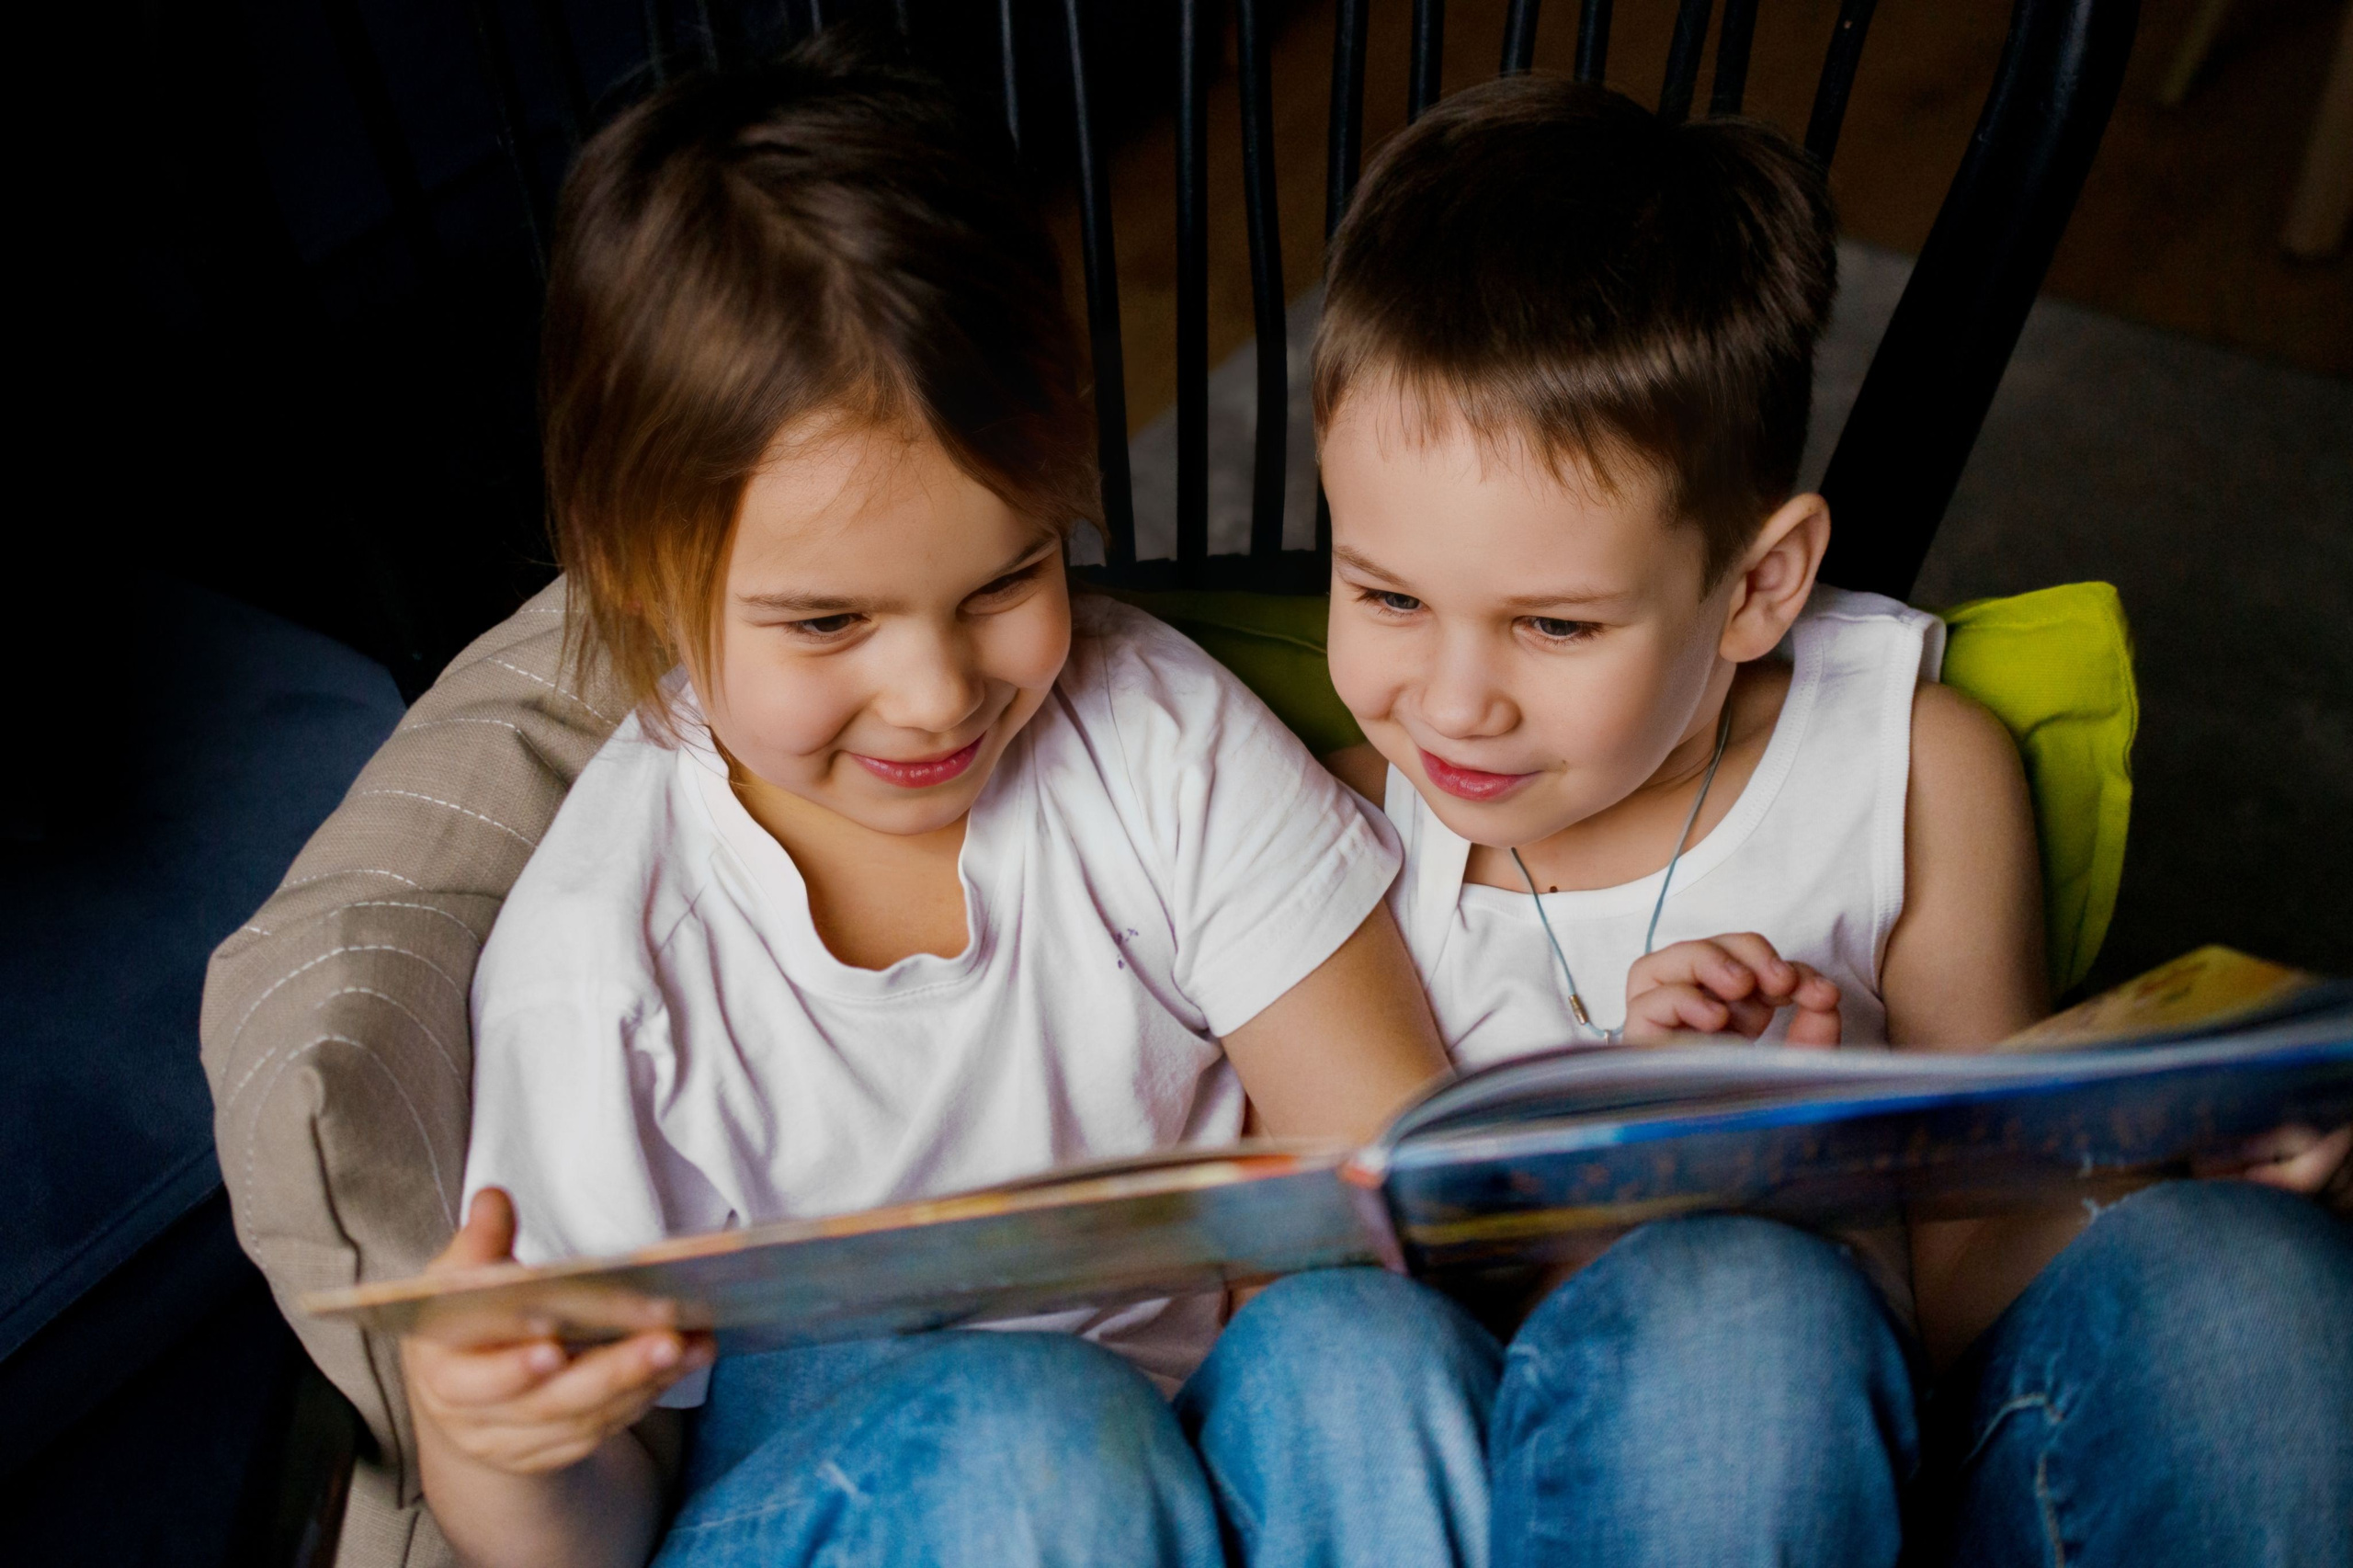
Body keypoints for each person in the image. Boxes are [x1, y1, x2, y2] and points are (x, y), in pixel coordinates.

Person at [397, 44, 1495, 1568]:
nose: (936, 694)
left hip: (1180, 1454)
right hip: (852, 1500)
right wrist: (497, 1448)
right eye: (828, 623)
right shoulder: (607, 966)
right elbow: (590, 1534)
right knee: (1037, 1438)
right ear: (645, 576)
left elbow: (1378, 1166)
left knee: (1370, 1347)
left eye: (1007, 579)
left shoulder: (1148, 732)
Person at [1310, 74, 2353, 1568]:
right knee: (1733, 1304)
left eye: (1551, 624)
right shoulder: (1336, 839)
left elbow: (1974, 1266)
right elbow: (1325, 1363)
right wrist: (1648, 1180)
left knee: (2257, 1276)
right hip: (1535, 1487)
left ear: (1757, 584)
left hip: (1905, 1455)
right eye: (1388, 594)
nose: (1453, 702)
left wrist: (2171, 1157)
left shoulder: (1910, 770)